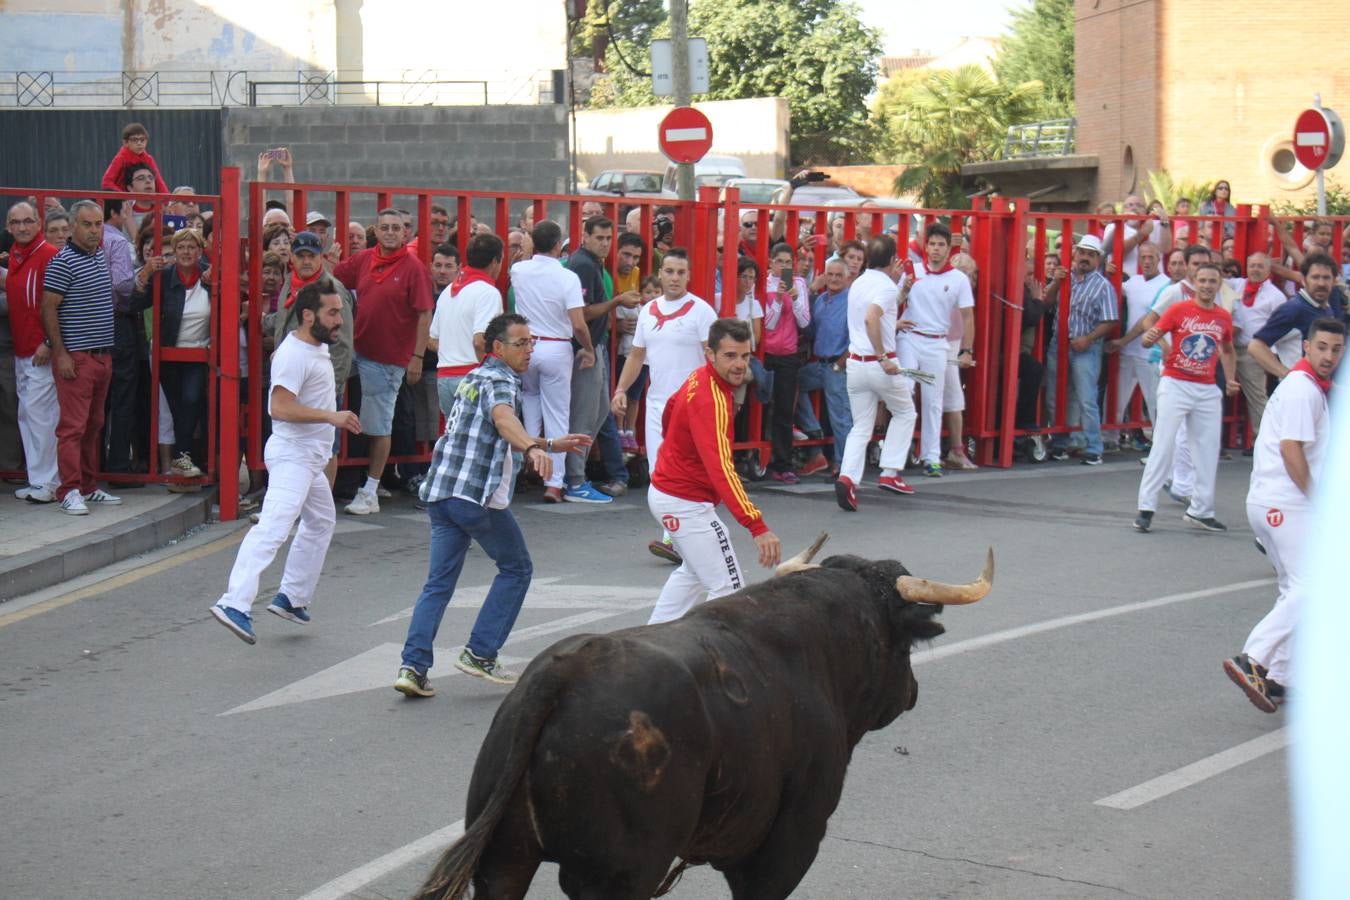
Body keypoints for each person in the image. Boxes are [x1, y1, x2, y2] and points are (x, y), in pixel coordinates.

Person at [394, 313, 593, 696]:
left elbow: (494, 426)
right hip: (474, 497)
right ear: (498, 348)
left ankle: (412, 667)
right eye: (522, 344)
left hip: (442, 495)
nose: (529, 350)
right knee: (517, 568)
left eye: (531, 342)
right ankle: (481, 653)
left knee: (437, 584)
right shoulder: (501, 381)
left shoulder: (474, 377)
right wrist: (534, 447)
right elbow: (503, 420)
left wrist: (548, 444)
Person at [210, 280, 361, 644]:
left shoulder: (315, 346)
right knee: (274, 526)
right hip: (294, 456)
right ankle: (234, 603)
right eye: (333, 313)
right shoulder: (295, 354)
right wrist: (332, 417)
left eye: (340, 311)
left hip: (308, 458)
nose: (340, 320)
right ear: (309, 315)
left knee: (321, 521)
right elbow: (279, 407)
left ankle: (291, 598)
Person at [1223, 318, 1344, 712]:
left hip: (1272, 501)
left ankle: (1279, 676)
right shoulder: (1301, 390)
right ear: (1306, 348)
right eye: (1322, 347)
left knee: (1296, 589)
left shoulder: (1310, 388)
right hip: (1286, 504)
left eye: (1336, 349)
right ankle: (1252, 658)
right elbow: (1292, 450)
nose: (1328, 355)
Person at [645, 318, 782, 624]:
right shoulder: (714, 400)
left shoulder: (699, 377)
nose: (739, 365)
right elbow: (723, 469)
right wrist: (756, 526)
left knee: (692, 574)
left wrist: (678, 452)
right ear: (710, 352)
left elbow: (670, 410)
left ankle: (649, 643)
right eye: (730, 356)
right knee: (729, 591)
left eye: (745, 356)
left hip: (668, 494)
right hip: (685, 502)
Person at [612, 248, 718, 562]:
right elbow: (636, 355)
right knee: (662, 472)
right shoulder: (648, 311)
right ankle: (677, 537)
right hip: (658, 406)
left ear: (689, 275)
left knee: (689, 472)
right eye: (669, 271)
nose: (674, 278)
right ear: (661, 273)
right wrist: (620, 388)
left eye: (680, 272)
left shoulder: (701, 312)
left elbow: (713, 358)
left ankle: (682, 537)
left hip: (692, 406)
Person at [333, 208, 435, 515]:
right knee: (337, 409)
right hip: (357, 350)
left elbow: (424, 313)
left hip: (388, 359)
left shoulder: (413, 267)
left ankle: (370, 491)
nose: (390, 232)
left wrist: (416, 356)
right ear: (376, 231)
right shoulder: (365, 259)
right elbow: (336, 275)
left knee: (377, 426)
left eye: (396, 228)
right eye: (384, 227)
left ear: (405, 233)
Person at [1133, 263, 1240, 534]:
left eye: (1212, 281)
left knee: (1206, 450)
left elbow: (1227, 349)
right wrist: (1154, 341)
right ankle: (1146, 508)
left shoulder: (1222, 317)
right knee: (1163, 444)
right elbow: (1150, 336)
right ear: (1194, 282)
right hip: (1175, 383)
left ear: (1218, 284)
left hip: (1206, 388)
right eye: (1202, 280)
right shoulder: (1179, 310)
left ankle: (1201, 510)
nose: (1206, 286)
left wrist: (1230, 379)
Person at [39, 201, 123, 515]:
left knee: (94, 425)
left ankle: (88, 486)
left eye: (98, 224)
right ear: (73, 226)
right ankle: (69, 489)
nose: (93, 230)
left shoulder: (99, 255)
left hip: (102, 357)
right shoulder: (63, 262)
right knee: (73, 428)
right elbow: (48, 308)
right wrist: (60, 353)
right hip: (77, 357)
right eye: (87, 224)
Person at [510, 220, 594, 502]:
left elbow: (520, 263)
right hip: (557, 348)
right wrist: (589, 349)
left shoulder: (518, 270)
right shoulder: (567, 277)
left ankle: (530, 460)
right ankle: (554, 483)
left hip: (528, 347)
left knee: (530, 401)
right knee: (557, 415)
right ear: (559, 245)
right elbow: (579, 325)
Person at [835, 235, 919, 510]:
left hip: (856, 363)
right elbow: (872, 317)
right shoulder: (884, 286)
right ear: (893, 259)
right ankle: (891, 472)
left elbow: (871, 318)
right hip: (878, 363)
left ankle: (847, 477)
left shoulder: (860, 282)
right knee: (906, 412)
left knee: (861, 425)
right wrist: (884, 356)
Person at [266, 231, 356, 487]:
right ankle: (295, 496)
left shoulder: (331, 290)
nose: (306, 261)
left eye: (311, 256)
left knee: (325, 446)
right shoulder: (290, 282)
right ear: (292, 258)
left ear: (320, 258)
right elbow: (284, 320)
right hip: (292, 377)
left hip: (320, 382)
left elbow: (343, 342)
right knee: (293, 440)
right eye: (300, 255)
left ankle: (321, 499)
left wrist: (333, 388)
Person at [564, 216, 639, 502]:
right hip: (586, 349)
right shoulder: (583, 264)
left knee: (596, 414)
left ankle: (575, 477)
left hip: (593, 347)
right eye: (599, 238)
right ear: (585, 236)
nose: (605, 243)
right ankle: (575, 481)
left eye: (609, 239)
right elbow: (582, 313)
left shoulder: (591, 263)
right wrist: (617, 302)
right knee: (584, 416)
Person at [129, 229, 212, 482]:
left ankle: (181, 456)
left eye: (191, 247)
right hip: (168, 351)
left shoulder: (209, 275)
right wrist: (144, 275)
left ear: (199, 251)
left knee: (191, 400)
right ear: (174, 252)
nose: (186, 252)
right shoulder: (164, 277)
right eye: (181, 247)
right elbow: (135, 304)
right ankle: (182, 460)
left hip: (199, 351)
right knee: (178, 408)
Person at [898, 222, 975, 477]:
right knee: (905, 389)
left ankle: (931, 458)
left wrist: (967, 350)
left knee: (933, 401)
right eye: (932, 244)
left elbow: (967, 317)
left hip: (936, 343)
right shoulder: (913, 271)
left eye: (941, 245)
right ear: (925, 246)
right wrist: (904, 290)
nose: (936, 250)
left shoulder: (959, 279)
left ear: (948, 248)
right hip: (909, 338)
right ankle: (898, 453)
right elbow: (894, 302)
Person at [1043, 235, 1118, 466]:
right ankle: (1059, 442)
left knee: (1086, 398)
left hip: (1086, 346)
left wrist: (1089, 338)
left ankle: (1094, 447)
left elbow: (1110, 320)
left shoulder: (1103, 285)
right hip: (1060, 342)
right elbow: (1046, 302)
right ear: (1075, 254)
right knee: (1055, 395)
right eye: (1082, 252)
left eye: (1091, 254)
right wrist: (1056, 282)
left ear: (1098, 259)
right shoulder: (1066, 278)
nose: (1085, 257)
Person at [5, 201, 61, 502]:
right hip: (23, 351)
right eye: (16, 222)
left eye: (28, 221)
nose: (22, 227)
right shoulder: (16, 256)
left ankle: (49, 482)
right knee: (28, 415)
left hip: (41, 351)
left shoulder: (49, 256)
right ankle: (38, 479)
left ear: (38, 222)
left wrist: (49, 343)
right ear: (8, 227)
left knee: (42, 417)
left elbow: (61, 306)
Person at [428, 234, 504, 418]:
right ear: (495, 261)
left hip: (444, 378)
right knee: (478, 438)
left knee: (455, 438)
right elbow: (480, 341)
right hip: (472, 378)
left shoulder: (448, 291)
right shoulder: (488, 292)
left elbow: (431, 340)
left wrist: (454, 351)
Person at [1247, 253, 1347, 381]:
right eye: (1315, 277)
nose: (1321, 283)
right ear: (1304, 280)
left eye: (1326, 278)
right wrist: (1289, 376)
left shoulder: (1326, 308)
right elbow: (1256, 346)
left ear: (1334, 281)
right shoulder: (1293, 309)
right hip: (1297, 392)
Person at [1105, 241, 1168, 439]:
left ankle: (1159, 445)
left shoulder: (1166, 285)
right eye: (1143, 257)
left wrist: (1122, 341)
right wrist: (1107, 271)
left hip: (1150, 354)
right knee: (1115, 399)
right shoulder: (1133, 282)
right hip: (1128, 353)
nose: (1147, 261)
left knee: (1155, 402)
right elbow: (1112, 288)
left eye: (1151, 257)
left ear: (1159, 258)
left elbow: (1145, 321)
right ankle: (1110, 439)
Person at [1230, 252, 1285, 435]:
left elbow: (1280, 328)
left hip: (1252, 352)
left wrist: (1271, 352)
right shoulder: (1236, 285)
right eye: (1252, 265)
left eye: (1260, 266)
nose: (1255, 269)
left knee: (1257, 397)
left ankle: (1263, 440)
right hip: (1228, 347)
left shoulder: (1275, 296)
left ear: (1269, 270)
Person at [101, 122, 169, 194]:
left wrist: (168, 201)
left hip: (143, 200)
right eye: (135, 140)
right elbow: (106, 182)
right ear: (125, 143)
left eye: (142, 140)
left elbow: (159, 182)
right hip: (121, 201)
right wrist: (123, 197)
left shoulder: (148, 159)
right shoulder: (120, 158)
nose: (139, 143)